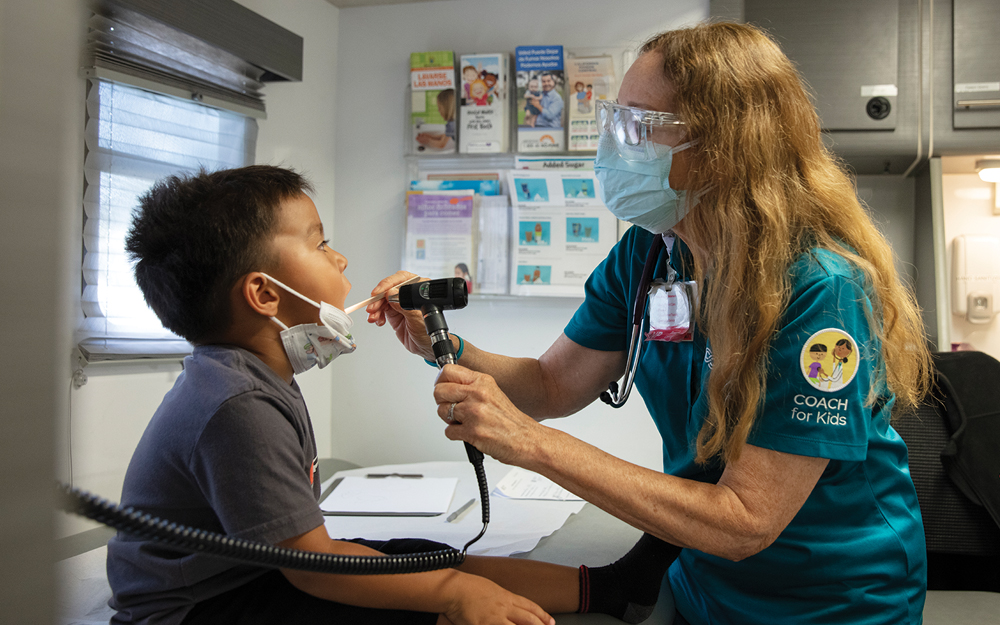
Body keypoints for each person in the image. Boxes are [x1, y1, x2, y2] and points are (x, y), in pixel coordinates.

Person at [368, 22, 932, 625]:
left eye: (637, 127)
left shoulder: (821, 290)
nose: (612, 147)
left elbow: (746, 521)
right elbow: (552, 385)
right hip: (701, 581)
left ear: (724, 147)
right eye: (614, 119)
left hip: (832, 602)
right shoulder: (650, 255)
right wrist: (440, 341)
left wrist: (531, 446)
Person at [108, 165, 604, 625]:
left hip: (254, 567)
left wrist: (450, 581)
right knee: (421, 600)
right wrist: (455, 593)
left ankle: (608, 589)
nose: (340, 258)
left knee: (417, 553)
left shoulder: (253, 376)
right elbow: (313, 567)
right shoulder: (237, 404)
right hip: (199, 604)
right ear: (265, 294)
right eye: (321, 244)